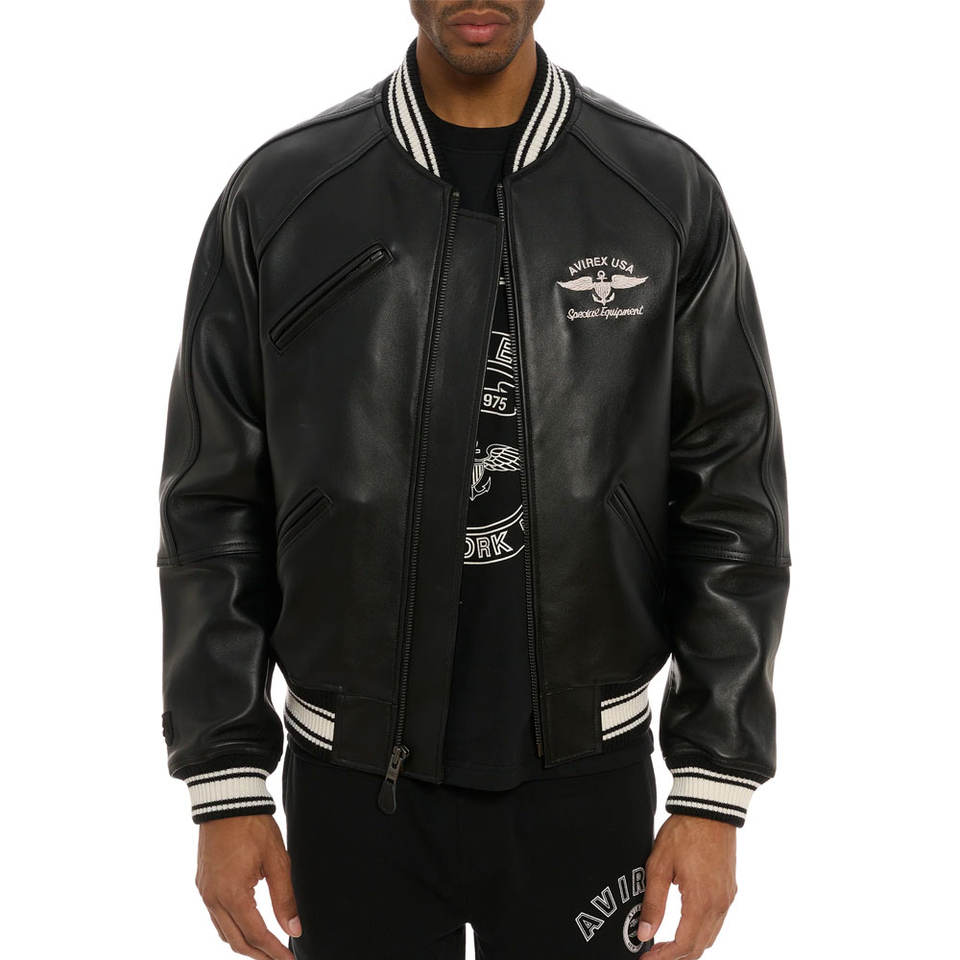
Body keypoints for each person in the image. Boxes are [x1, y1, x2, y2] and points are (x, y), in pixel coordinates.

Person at [156, 2, 791, 958]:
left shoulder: (663, 192)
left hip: (586, 777)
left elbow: (733, 503)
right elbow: (212, 505)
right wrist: (226, 781)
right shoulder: (282, 194)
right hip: (349, 777)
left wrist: (713, 790)